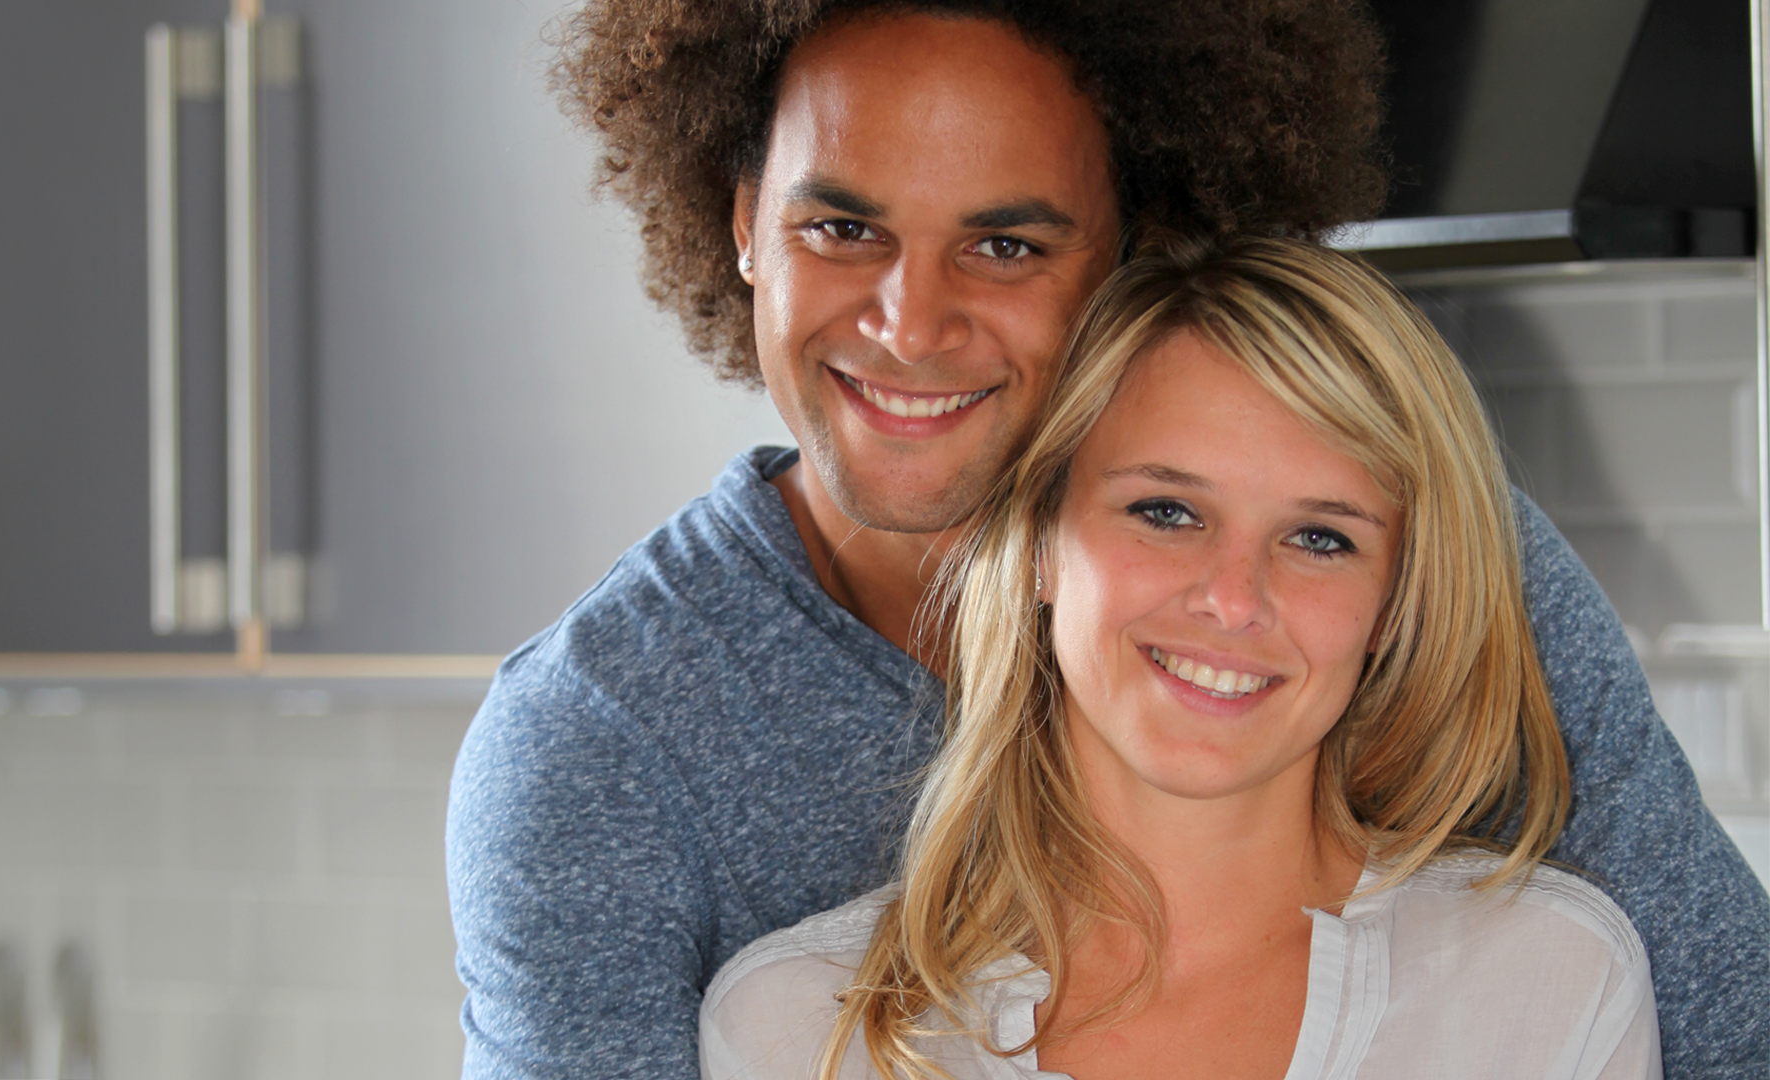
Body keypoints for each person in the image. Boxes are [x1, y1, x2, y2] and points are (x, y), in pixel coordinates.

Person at [444, 2, 1769, 1077]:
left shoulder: (1419, 553)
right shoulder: (602, 745)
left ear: (1135, 246)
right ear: (745, 224)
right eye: (841, 228)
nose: (911, 323)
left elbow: (1729, 1027)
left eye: (1006, 244)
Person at [700, 234, 1660, 1080]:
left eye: (1321, 538)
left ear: (1395, 602)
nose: (1235, 599)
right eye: (1166, 512)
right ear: (1036, 541)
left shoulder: (1551, 983)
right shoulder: (796, 1031)